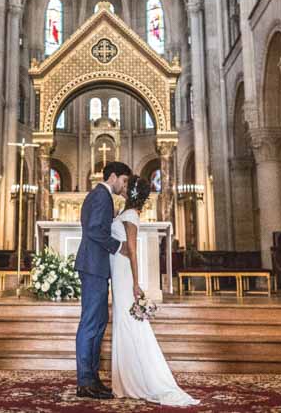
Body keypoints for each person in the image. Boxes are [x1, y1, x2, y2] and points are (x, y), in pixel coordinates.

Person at [111, 176, 199, 406]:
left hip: (124, 274)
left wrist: (136, 282)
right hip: (118, 271)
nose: (122, 185)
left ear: (131, 191)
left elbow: (132, 249)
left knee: (127, 321)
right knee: (123, 321)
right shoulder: (126, 211)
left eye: (126, 184)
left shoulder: (130, 215)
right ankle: (124, 379)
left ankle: (137, 379)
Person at [75, 161, 132, 400]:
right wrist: (119, 246)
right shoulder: (101, 196)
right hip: (93, 267)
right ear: (113, 177)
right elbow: (94, 230)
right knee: (91, 323)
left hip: (96, 267)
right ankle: (85, 382)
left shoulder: (101, 195)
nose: (125, 186)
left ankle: (92, 379)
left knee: (98, 322)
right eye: (124, 180)